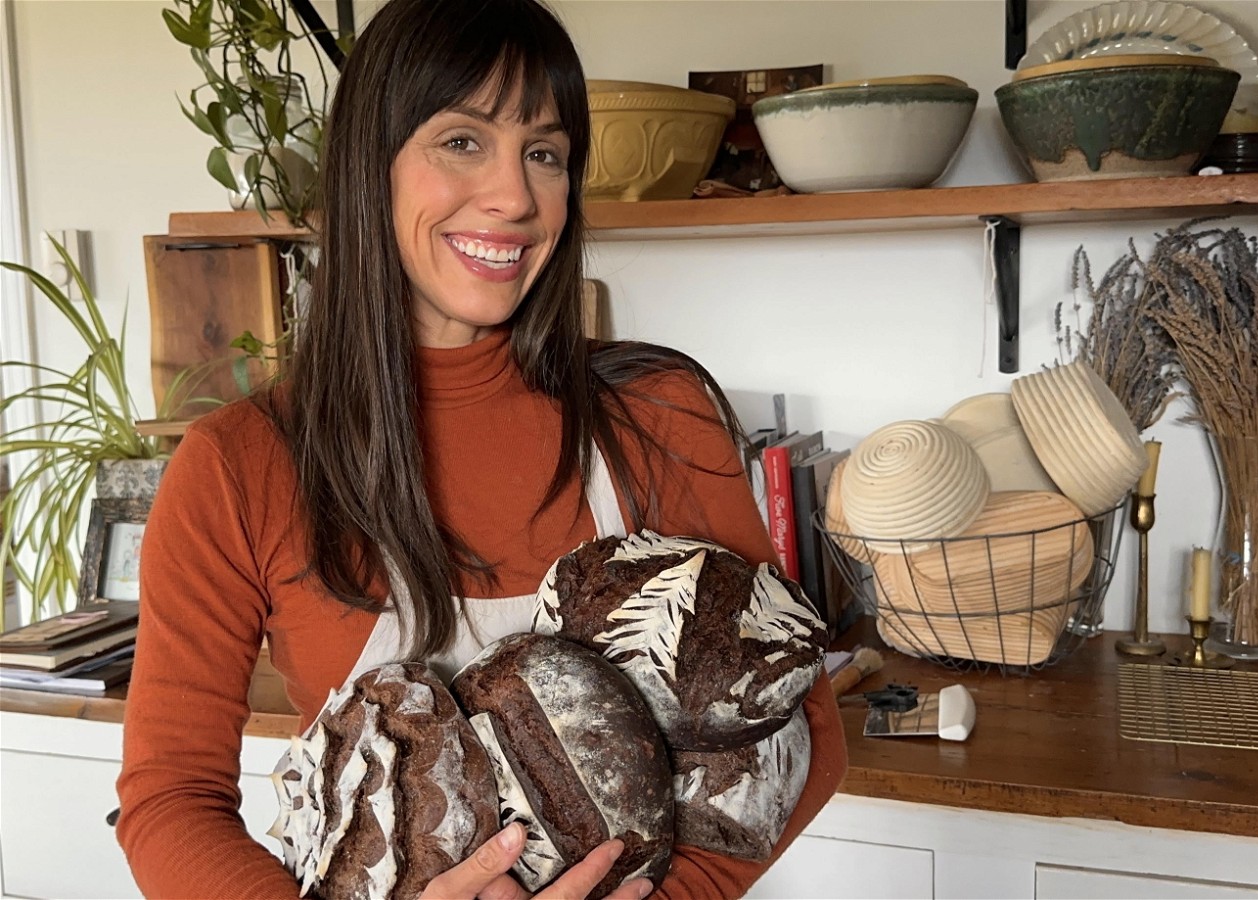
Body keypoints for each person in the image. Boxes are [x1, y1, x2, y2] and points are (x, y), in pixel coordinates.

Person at [114, 0, 847, 896]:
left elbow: (795, 713)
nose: (515, 196)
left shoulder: (657, 413)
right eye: (462, 141)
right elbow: (170, 798)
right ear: (369, 167)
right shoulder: (243, 465)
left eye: (544, 153)